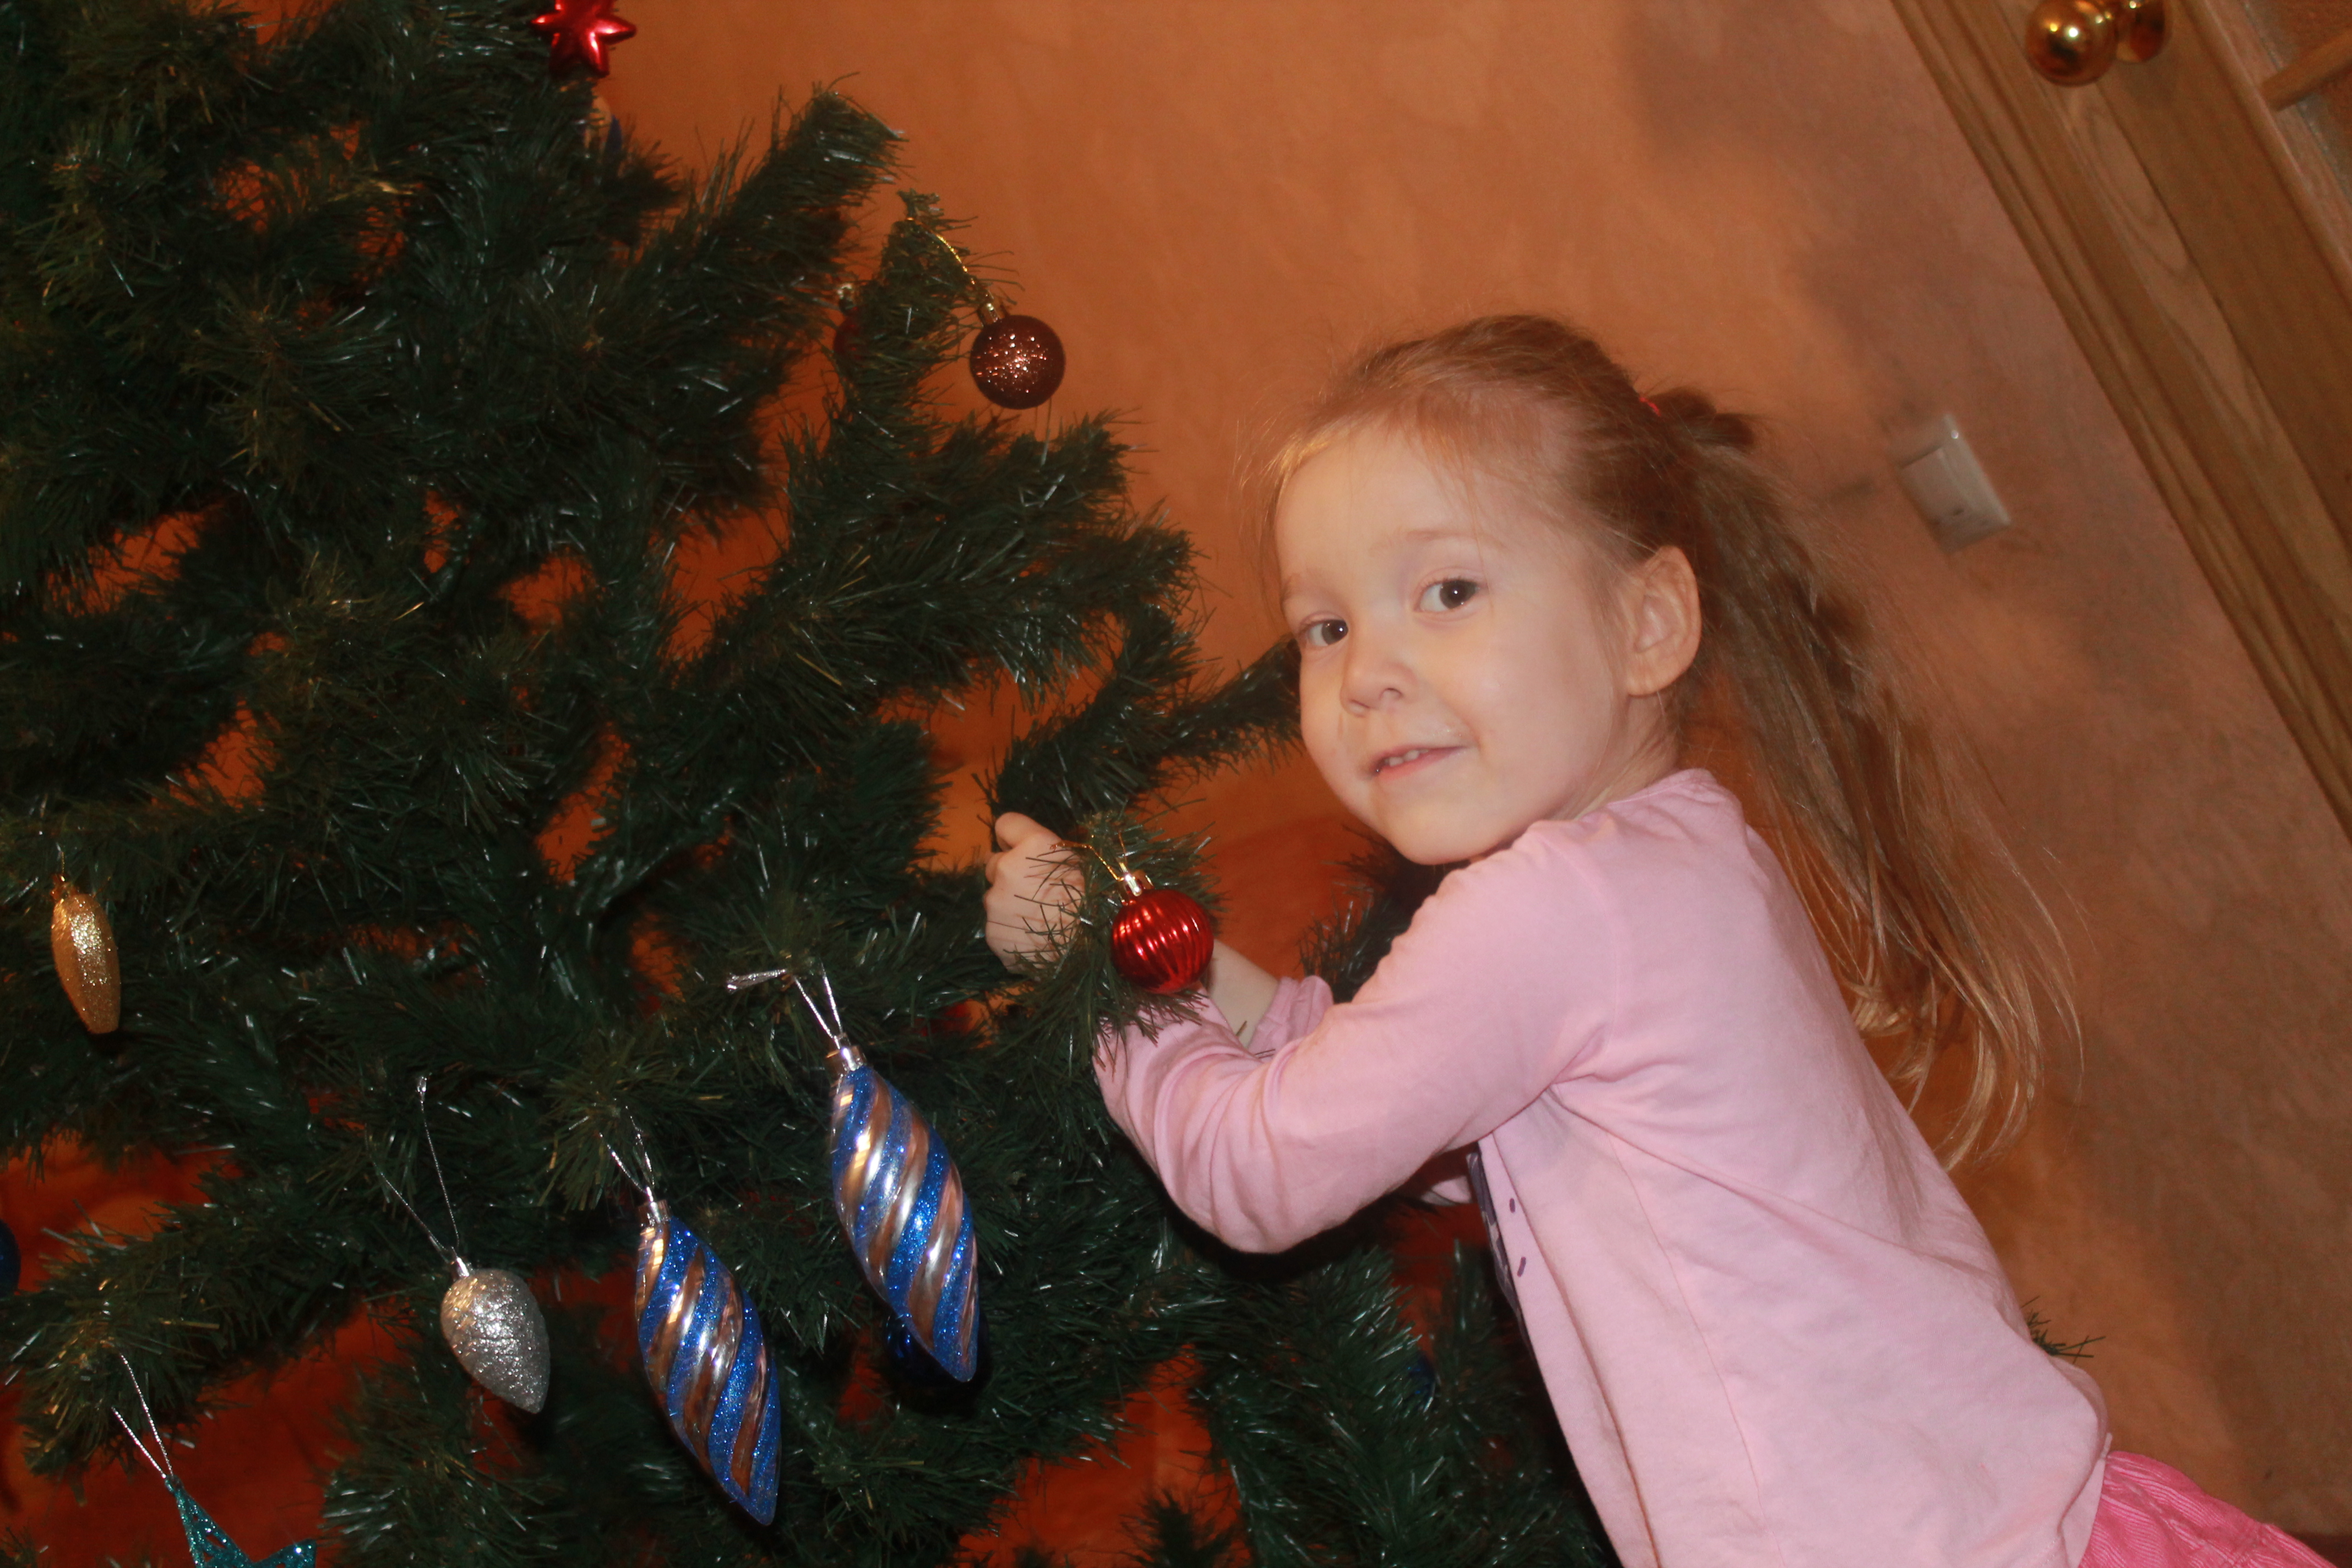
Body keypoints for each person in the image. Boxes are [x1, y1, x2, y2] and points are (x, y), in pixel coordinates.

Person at [983, 316, 2324, 1568]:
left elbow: (1263, 1167)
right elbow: (1408, 1101)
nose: (1366, 673)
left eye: (1447, 590)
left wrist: (1105, 989)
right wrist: (1173, 960)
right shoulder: (1680, 856)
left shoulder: (1550, 906)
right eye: (1325, 627)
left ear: (1649, 624)